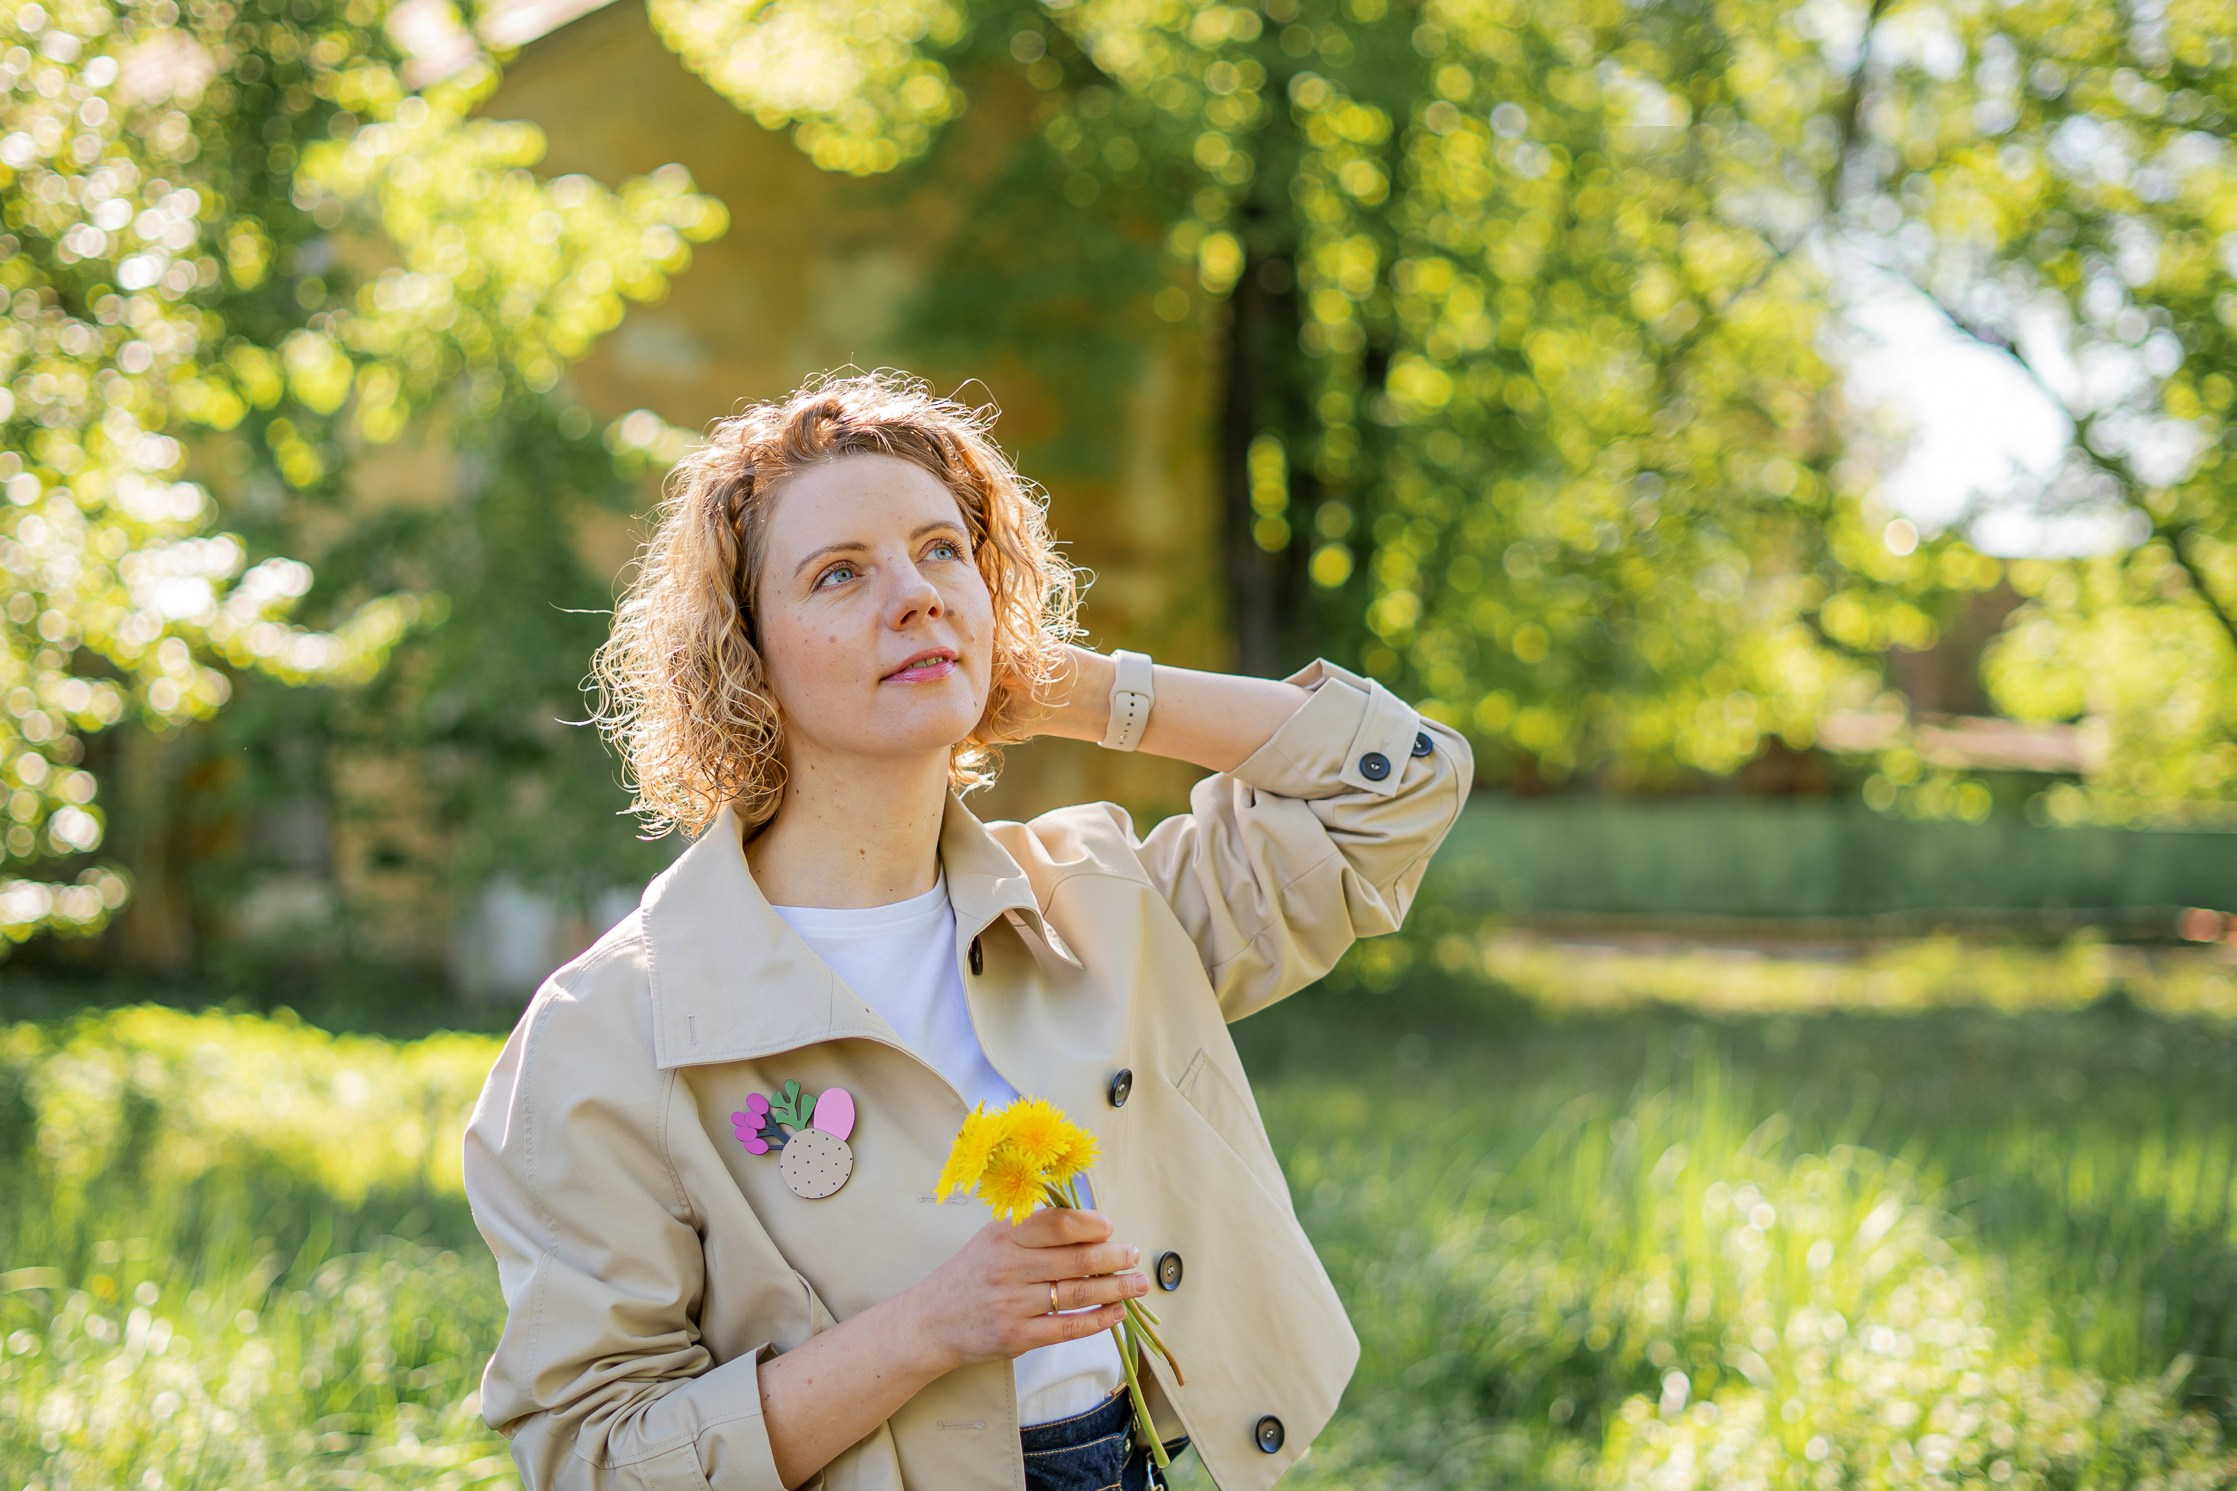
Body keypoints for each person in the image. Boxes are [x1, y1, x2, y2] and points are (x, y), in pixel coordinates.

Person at [460, 370, 1474, 1491]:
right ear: (743, 659)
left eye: (943, 552)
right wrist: (926, 1330)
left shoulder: (1100, 904)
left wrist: (1063, 687)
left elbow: (1396, 787)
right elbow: (594, 1458)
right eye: (840, 573)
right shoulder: (610, 1031)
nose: (915, 595)